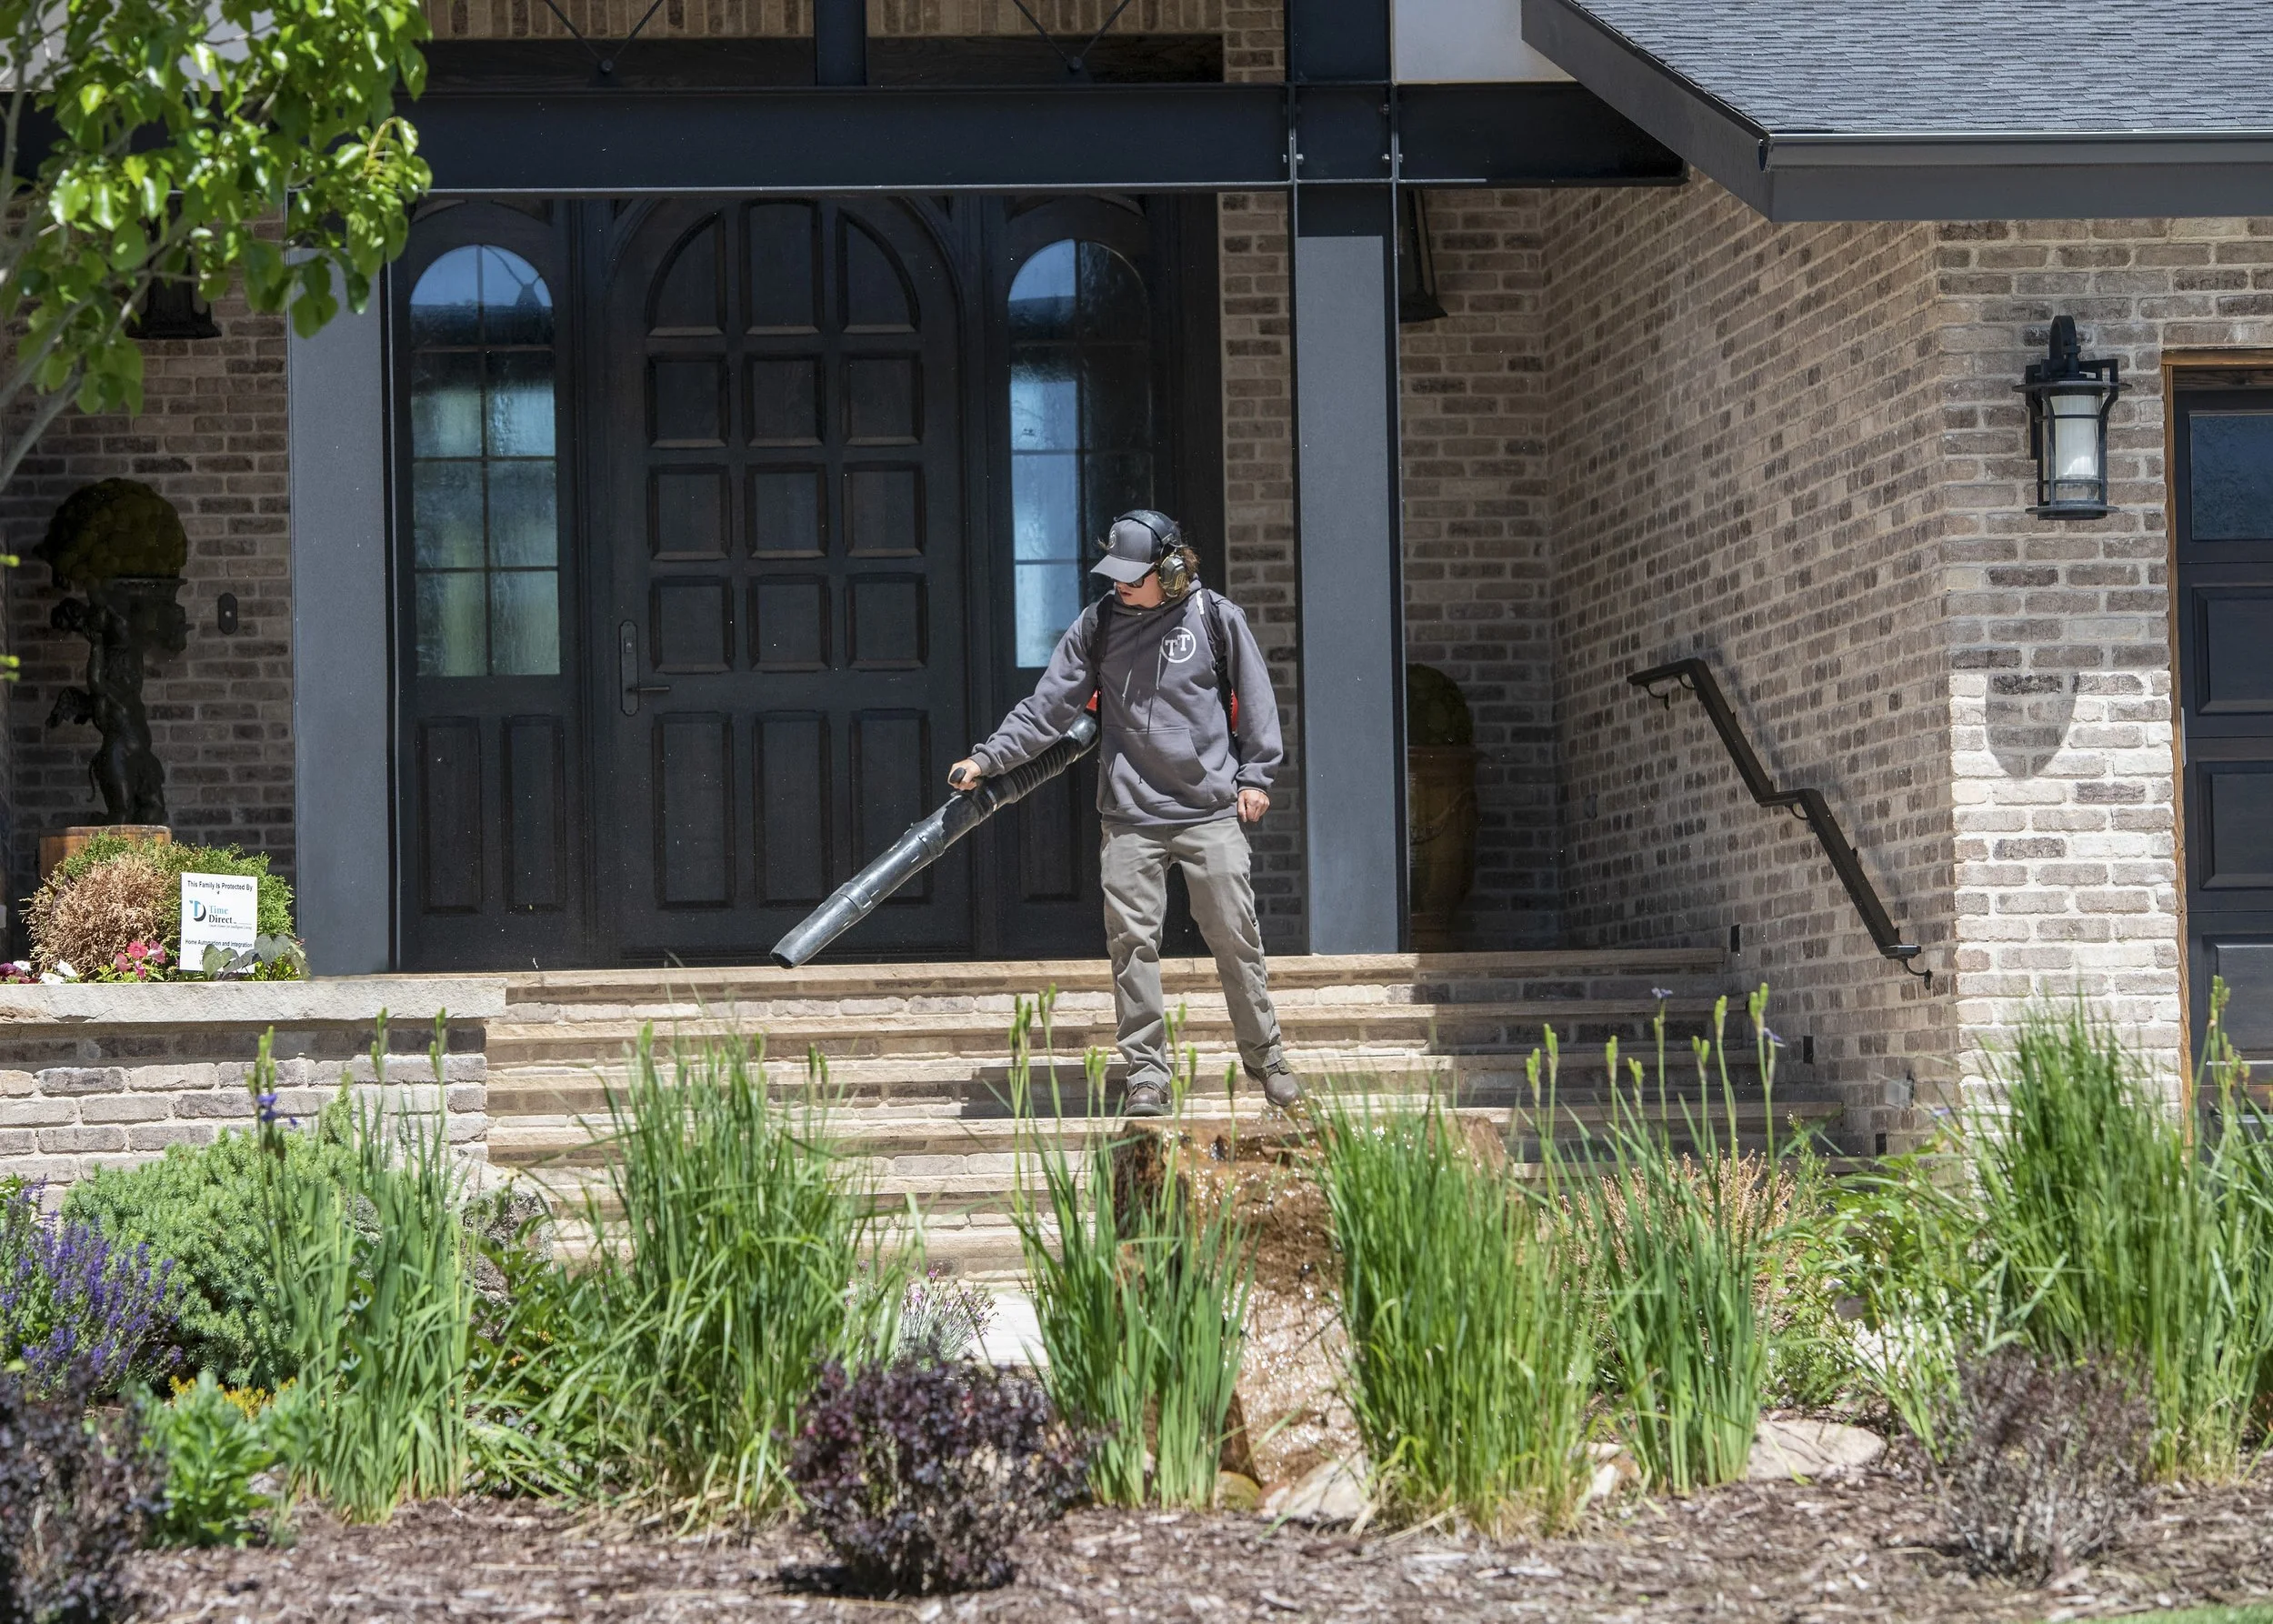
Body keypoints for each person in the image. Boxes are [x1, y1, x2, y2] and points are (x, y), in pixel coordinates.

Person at [949, 510, 1299, 1118]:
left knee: (1235, 938)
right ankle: (1147, 1076)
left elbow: (1258, 704)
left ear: (1168, 569)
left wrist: (1256, 776)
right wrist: (988, 758)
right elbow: (1046, 709)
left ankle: (1268, 1062)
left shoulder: (1217, 618)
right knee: (1131, 945)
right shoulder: (1100, 625)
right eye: (1114, 575)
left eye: (1132, 576)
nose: (1120, 586)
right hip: (1131, 814)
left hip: (1208, 810)